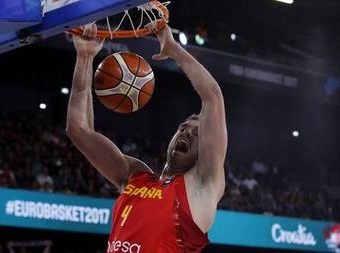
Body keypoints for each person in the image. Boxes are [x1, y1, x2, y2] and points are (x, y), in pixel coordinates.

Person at [66, 22, 227, 253]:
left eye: (197, 133)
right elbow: (78, 129)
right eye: (183, 127)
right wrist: (84, 57)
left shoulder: (204, 185)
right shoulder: (135, 175)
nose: (187, 133)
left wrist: (172, 49)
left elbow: (212, 96)